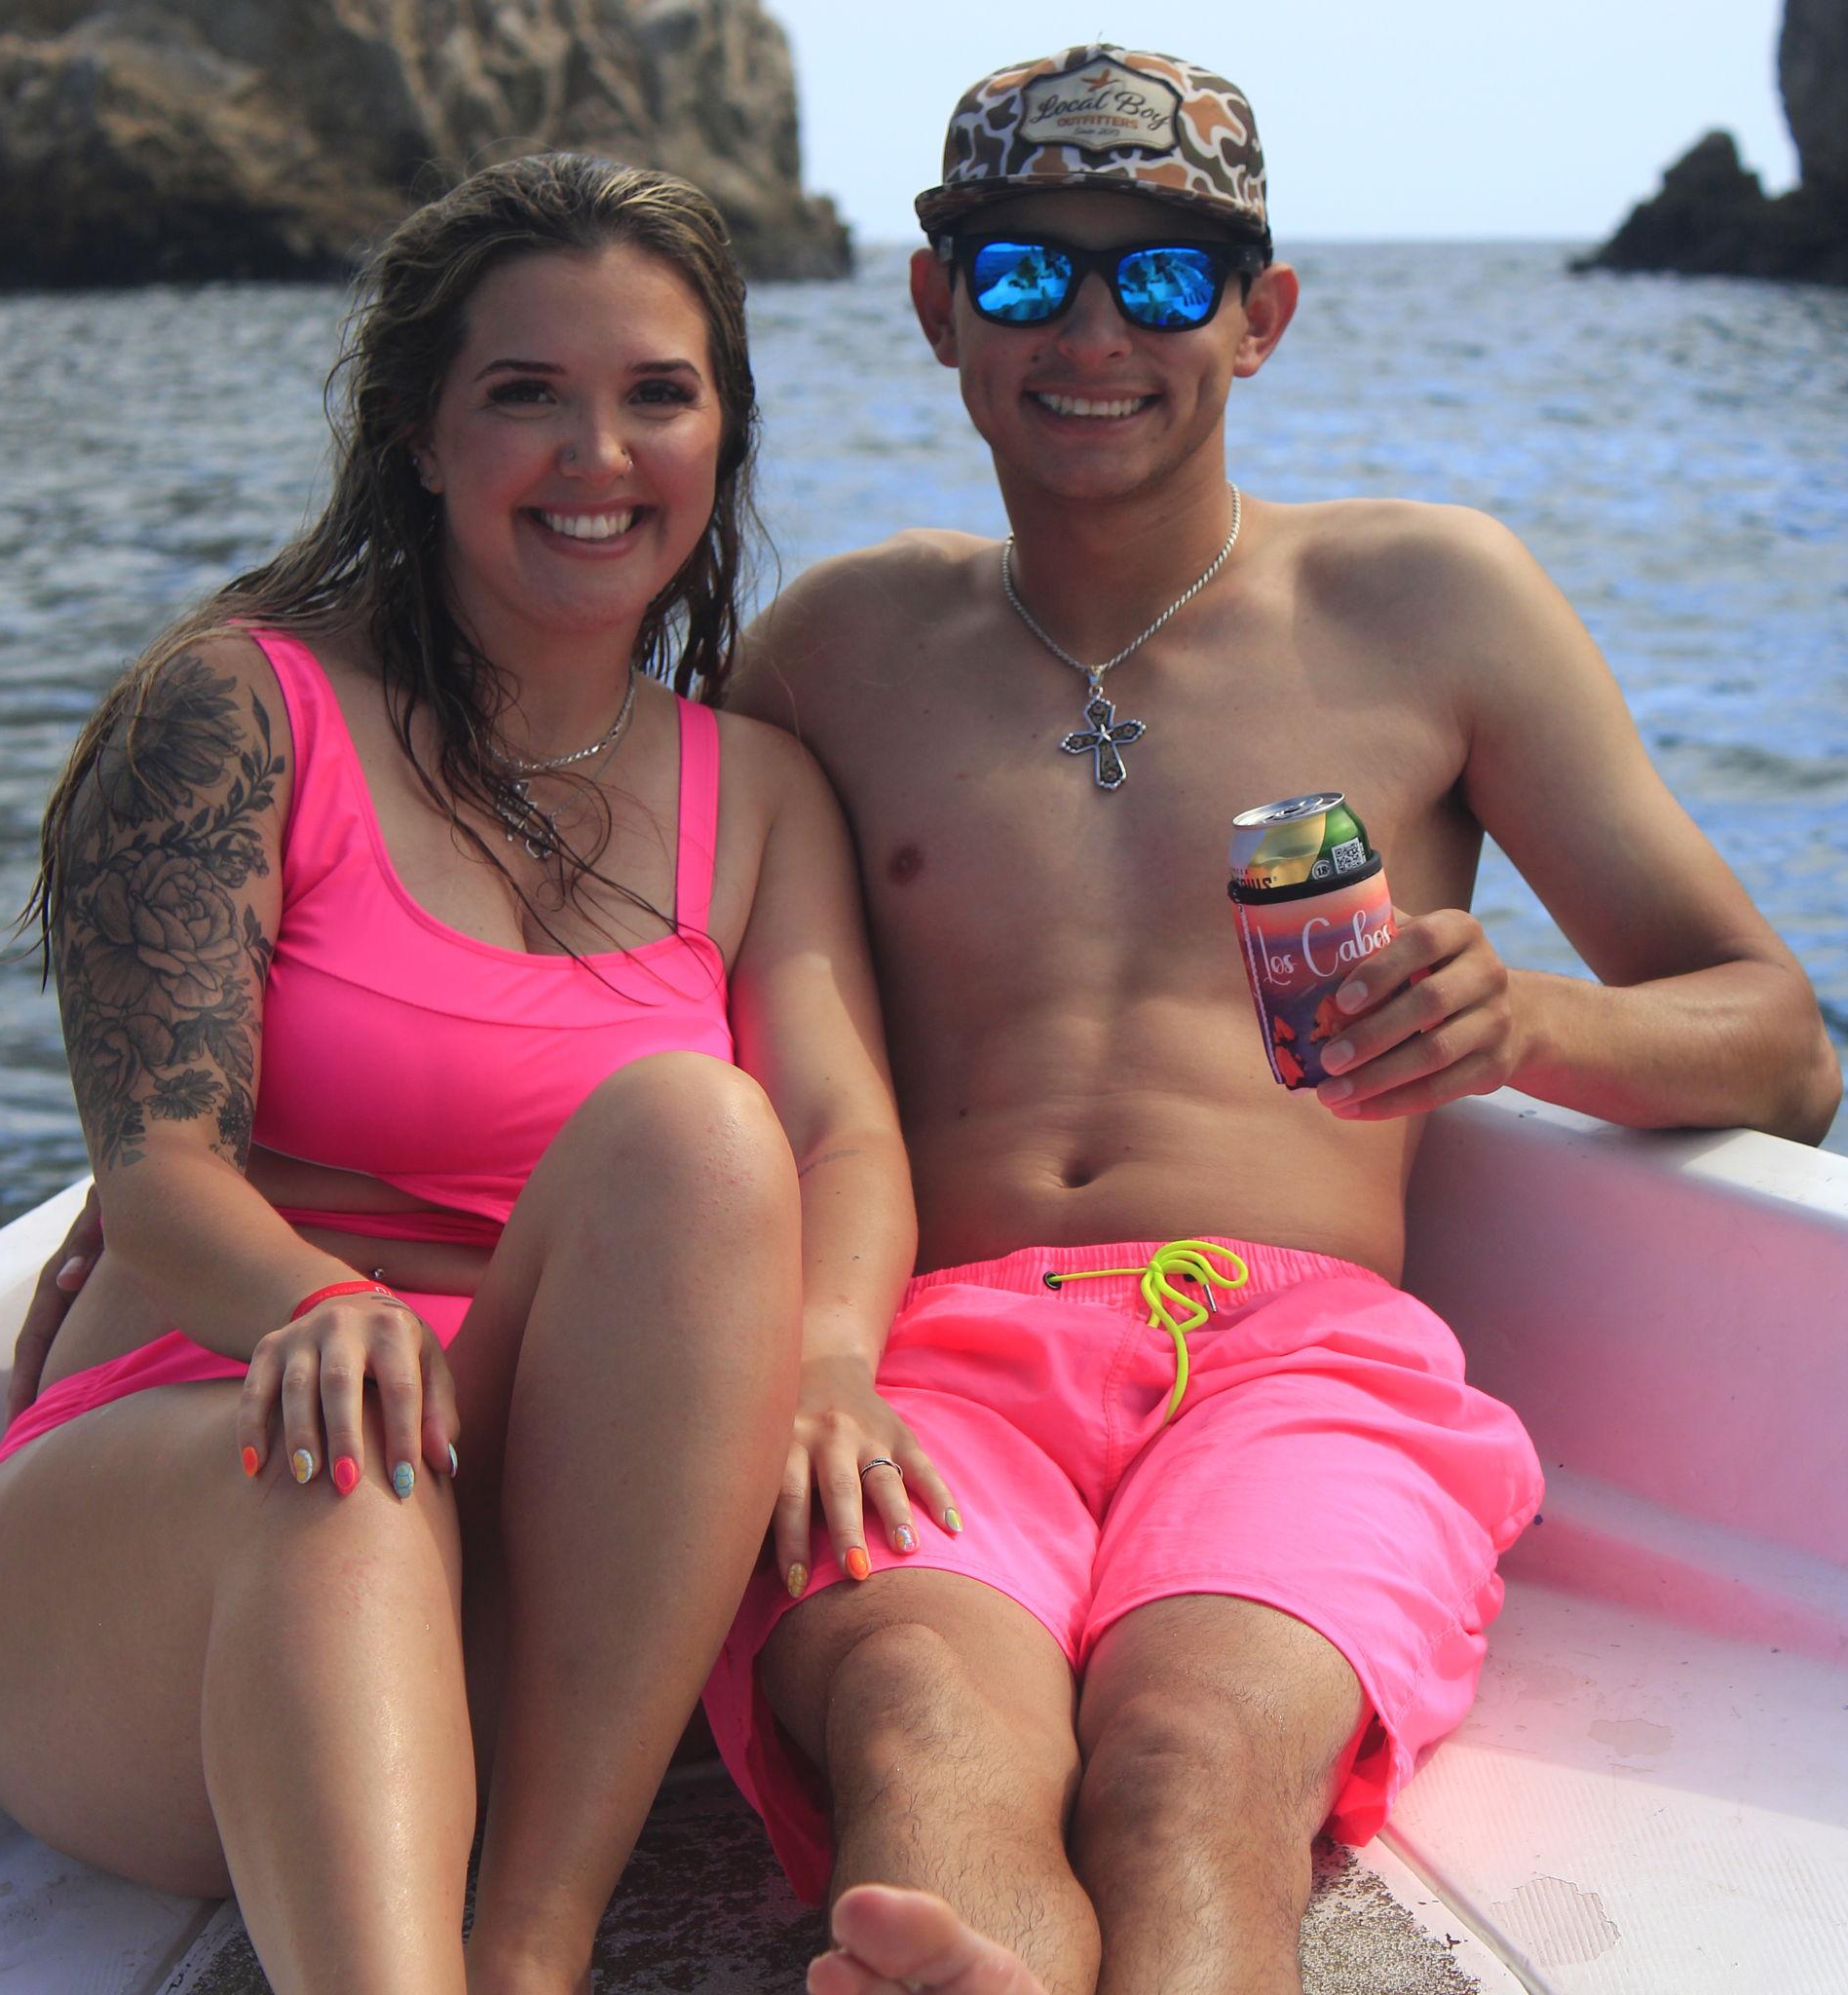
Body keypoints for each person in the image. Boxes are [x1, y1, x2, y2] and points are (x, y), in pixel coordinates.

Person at [692, 45, 1840, 1995]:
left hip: (1307, 1359)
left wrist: (1521, 1018)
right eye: (1020, 271)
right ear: (932, 309)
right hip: (933, 1351)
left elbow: (1781, 1046)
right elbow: (624, 990)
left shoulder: (1431, 600)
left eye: (1157, 277)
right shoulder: (833, 652)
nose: (1087, 329)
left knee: (1189, 1758)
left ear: (1259, 317)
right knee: (916, 1711)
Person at [0, 152, 924, 1995]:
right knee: (349, 1462)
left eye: (656, 395)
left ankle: (533, 1944)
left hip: (548, 1562)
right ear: (416, 434)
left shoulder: (757, 790)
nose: (596, 454)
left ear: (722, 437)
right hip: (188, 1517)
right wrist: (322, 1302)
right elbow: (154, 1167)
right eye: (525, 394)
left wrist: (836, 1367)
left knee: (700, 1134)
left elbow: (840, 1133)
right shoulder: (241, 707)